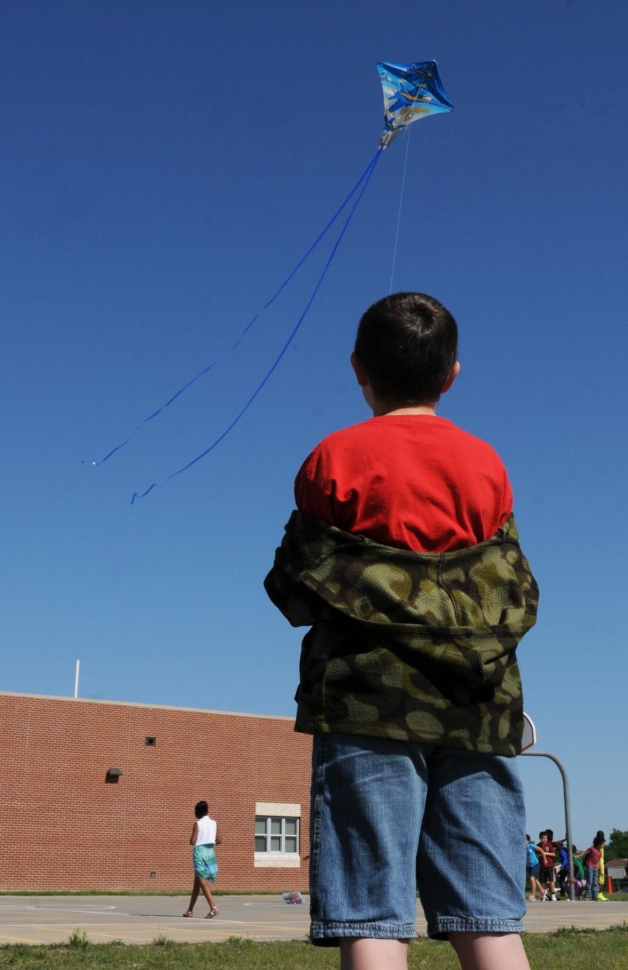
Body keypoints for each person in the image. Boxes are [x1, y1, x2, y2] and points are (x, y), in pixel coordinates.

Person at [265, 293, 539, 970]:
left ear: (359, 368)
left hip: (366, 703)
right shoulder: (487, 464)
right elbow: (503, 579)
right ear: (451, 374)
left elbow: (295, 586)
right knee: (490, 918)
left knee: (372, 917)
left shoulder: (333, 457)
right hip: (476, 704)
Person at [183, 800, 222, 918]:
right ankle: (189, 910)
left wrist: (201, 840)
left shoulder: (198, 824)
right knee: (197, 883)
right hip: (210, 852)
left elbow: (192, 841)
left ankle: (213, 907)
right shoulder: (214, 823)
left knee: (202, 881)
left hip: (200, 852)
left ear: (197, 812)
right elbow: (219, 840)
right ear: (207, 811)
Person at [577, 835, 604, 901]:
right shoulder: (592, 849)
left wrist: (598, 866)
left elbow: (597, 860)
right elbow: (584, 853)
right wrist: (577, 856)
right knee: (589, 882)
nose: (603, 845)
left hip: (595, 867)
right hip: (589, 866)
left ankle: (595, 896)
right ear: (598, 844)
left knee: (595, 882)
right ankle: (587, 895)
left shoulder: (600, 852)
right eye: (602, 844)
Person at [537, 831, 557, 901]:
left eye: (545, 838)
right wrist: (542, 854)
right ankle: (544, 895)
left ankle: (553, 894)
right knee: (543, 881)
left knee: (551, 880)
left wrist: (546, 853)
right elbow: (537, 855)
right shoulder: (538, 846)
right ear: (540, 838)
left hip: (550, 866)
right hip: (542, 866)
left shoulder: (549, 845)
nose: (544, 840)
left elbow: (554, 854)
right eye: (543, 838)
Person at [526, 835, 542, 901]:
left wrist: (544, 859)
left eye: (525, 840)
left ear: (528, 840)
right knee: (535, 880)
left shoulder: (531, 846)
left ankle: (533, 895)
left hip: (535, 864)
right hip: (529, 865)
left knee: (532, 878)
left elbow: (541, 850)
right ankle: (543, 891)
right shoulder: (521, 848)